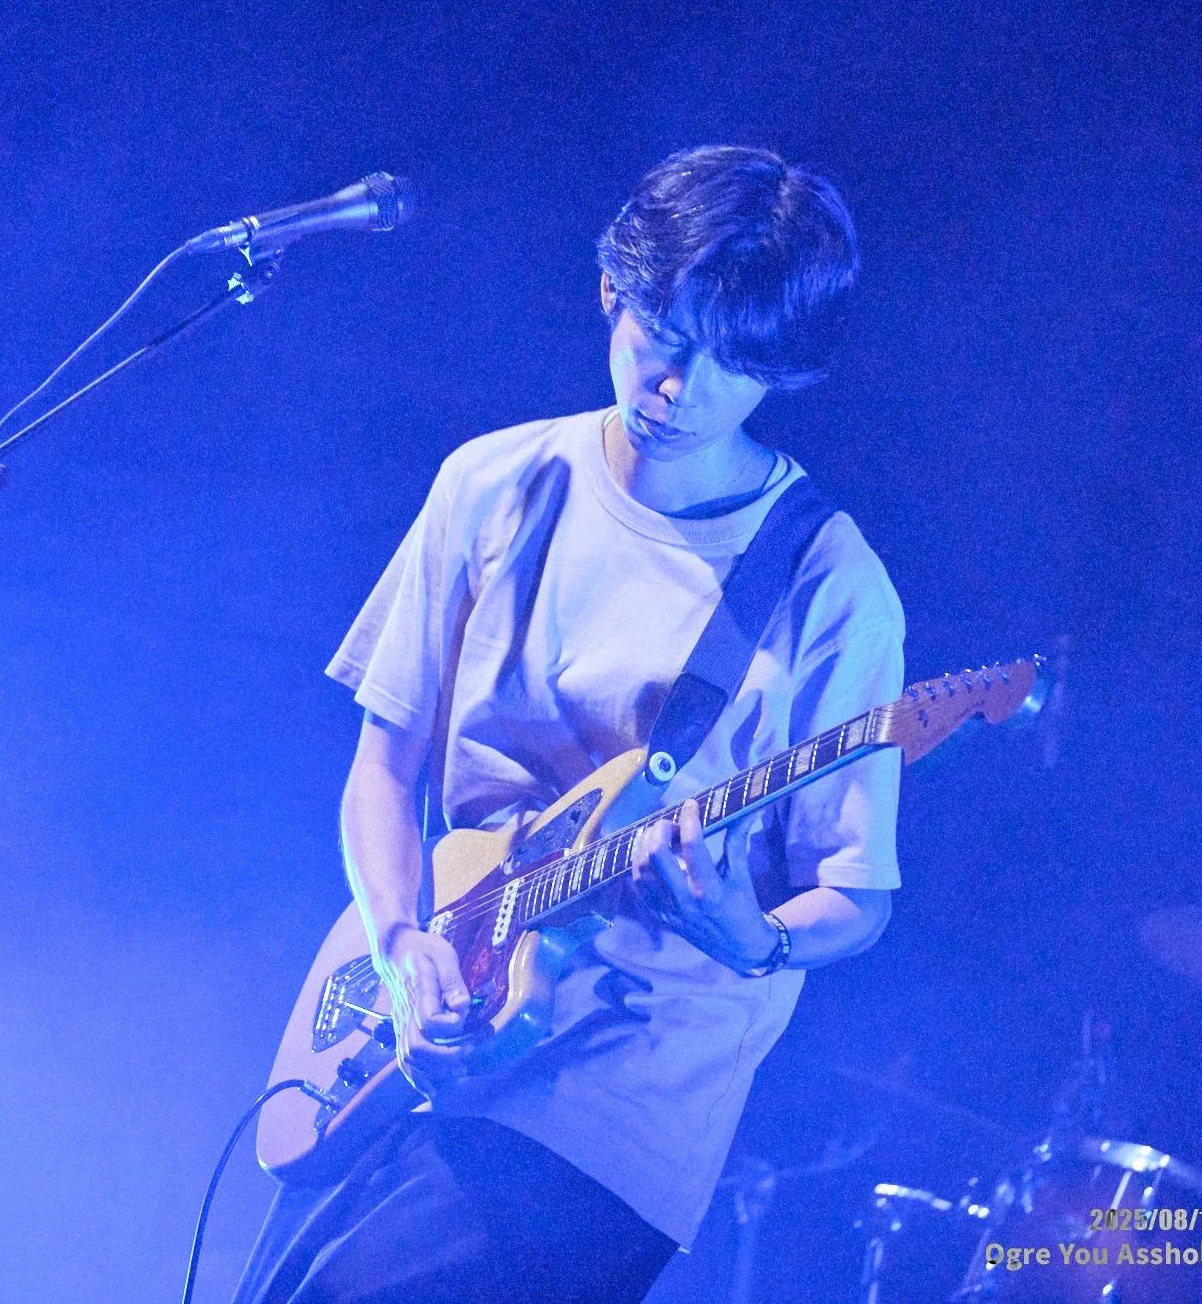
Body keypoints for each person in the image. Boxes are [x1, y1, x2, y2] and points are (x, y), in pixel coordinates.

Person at [234, 147, 905, 1304]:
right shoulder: (490, 483)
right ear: (610, 289)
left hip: (604, 1116)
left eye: (731, 364)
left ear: (779, 372)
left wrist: (753, 937)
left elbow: (856, 892)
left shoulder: (828, 585)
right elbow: (382, 771)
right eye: (664, 337)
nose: (678, 388)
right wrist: (398, 948)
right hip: (411, 1035)